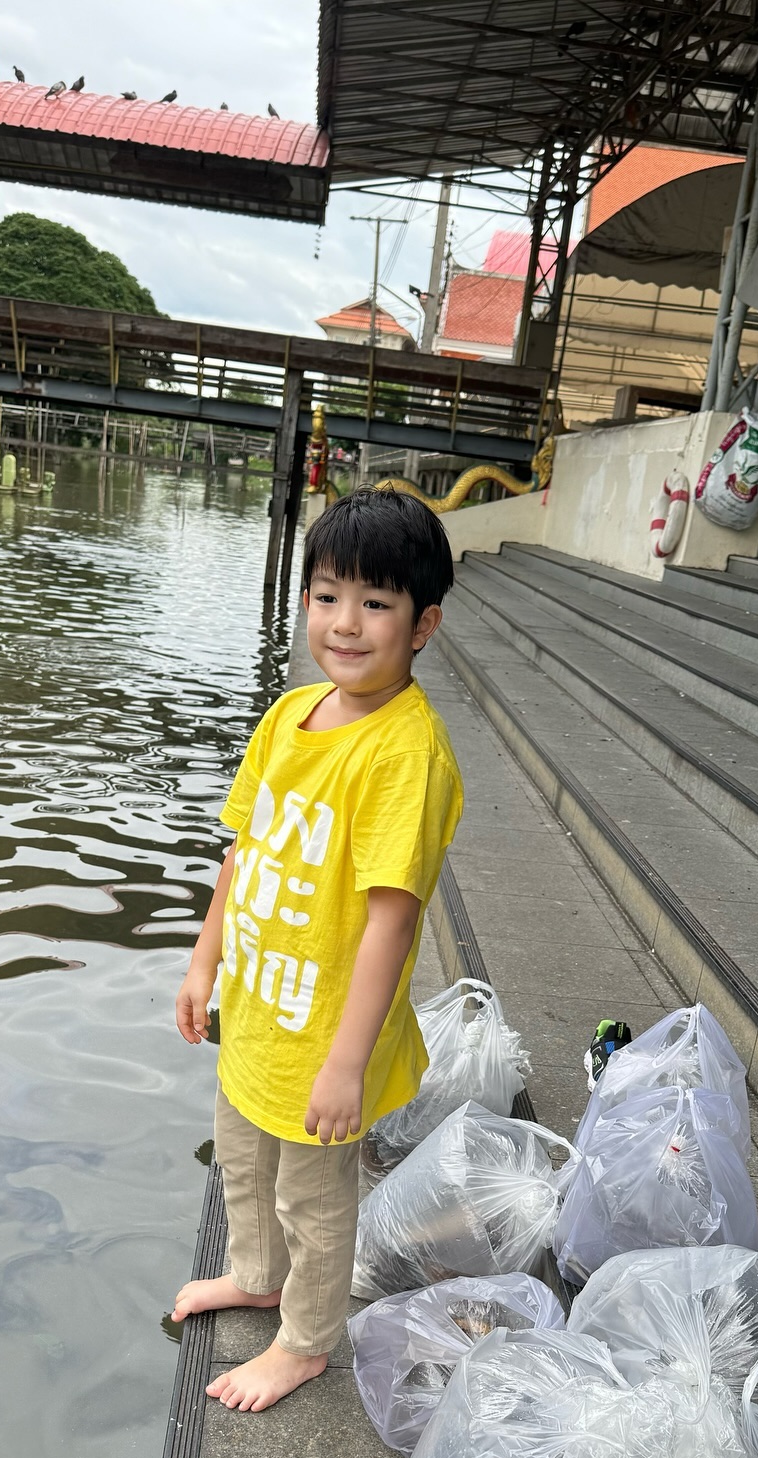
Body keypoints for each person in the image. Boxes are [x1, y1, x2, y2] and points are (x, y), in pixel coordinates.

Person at [170, 488, 463, 1411]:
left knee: (315, 1193)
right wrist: (203, 959)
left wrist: (346, 1063)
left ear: (424, 625)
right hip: (259, 1007)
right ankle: (256, 1275)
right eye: (328, 594)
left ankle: (304, 1340)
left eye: (377, 603)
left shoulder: (403, 754)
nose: (346, 623)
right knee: (241, 1158)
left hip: (325, 1030)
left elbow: (392, 918)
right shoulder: (291, 714)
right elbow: (242, 848)